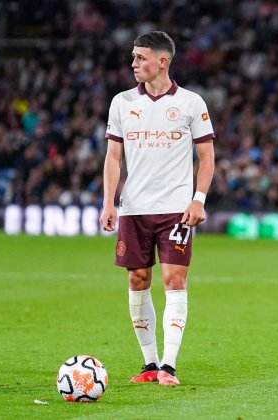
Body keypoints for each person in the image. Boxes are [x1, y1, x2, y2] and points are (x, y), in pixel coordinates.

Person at [99, 31, 215, 386]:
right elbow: (113, 157)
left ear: (162, 61)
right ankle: (149, 364)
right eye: (133, 57)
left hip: (176, 209)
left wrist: (199, 198)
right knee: (138, 279)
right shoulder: (121, 103)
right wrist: (109, 202)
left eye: (140, 58)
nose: (134, 64)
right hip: (134, 209)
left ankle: (169, 365)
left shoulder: (192, 103)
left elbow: (207, 156)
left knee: (174, 279)